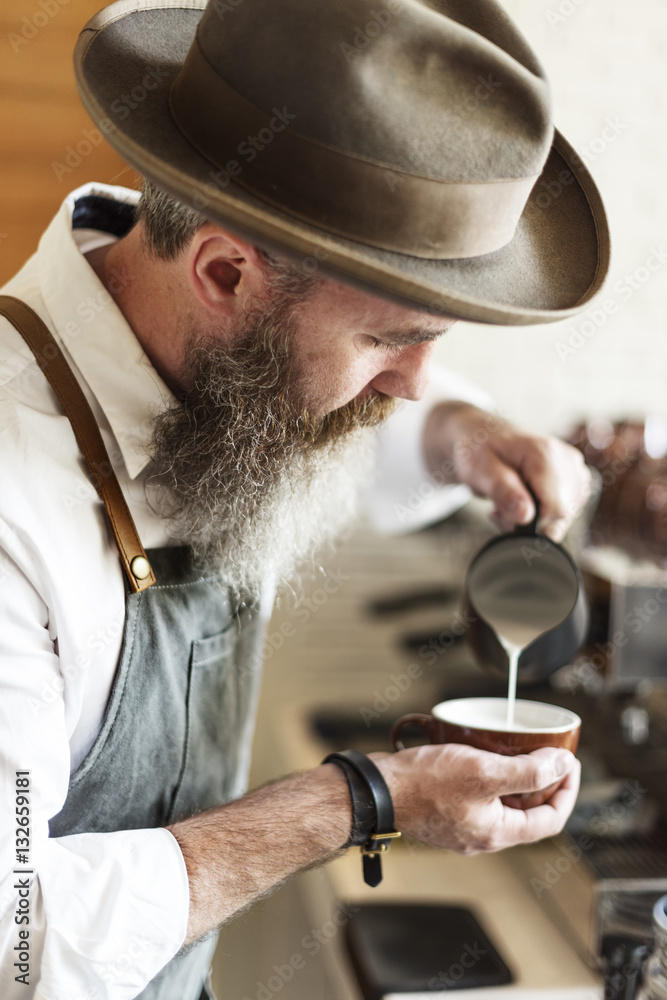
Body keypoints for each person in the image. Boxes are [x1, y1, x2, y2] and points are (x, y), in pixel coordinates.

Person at [0, 0, 609, 998]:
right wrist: (360, 801)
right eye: (388, 341)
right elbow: (13, 937)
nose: (412, 381)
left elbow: (317, 405)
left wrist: (464, 435)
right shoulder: (12, 497)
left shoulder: (217, 366)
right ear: (229, 271)